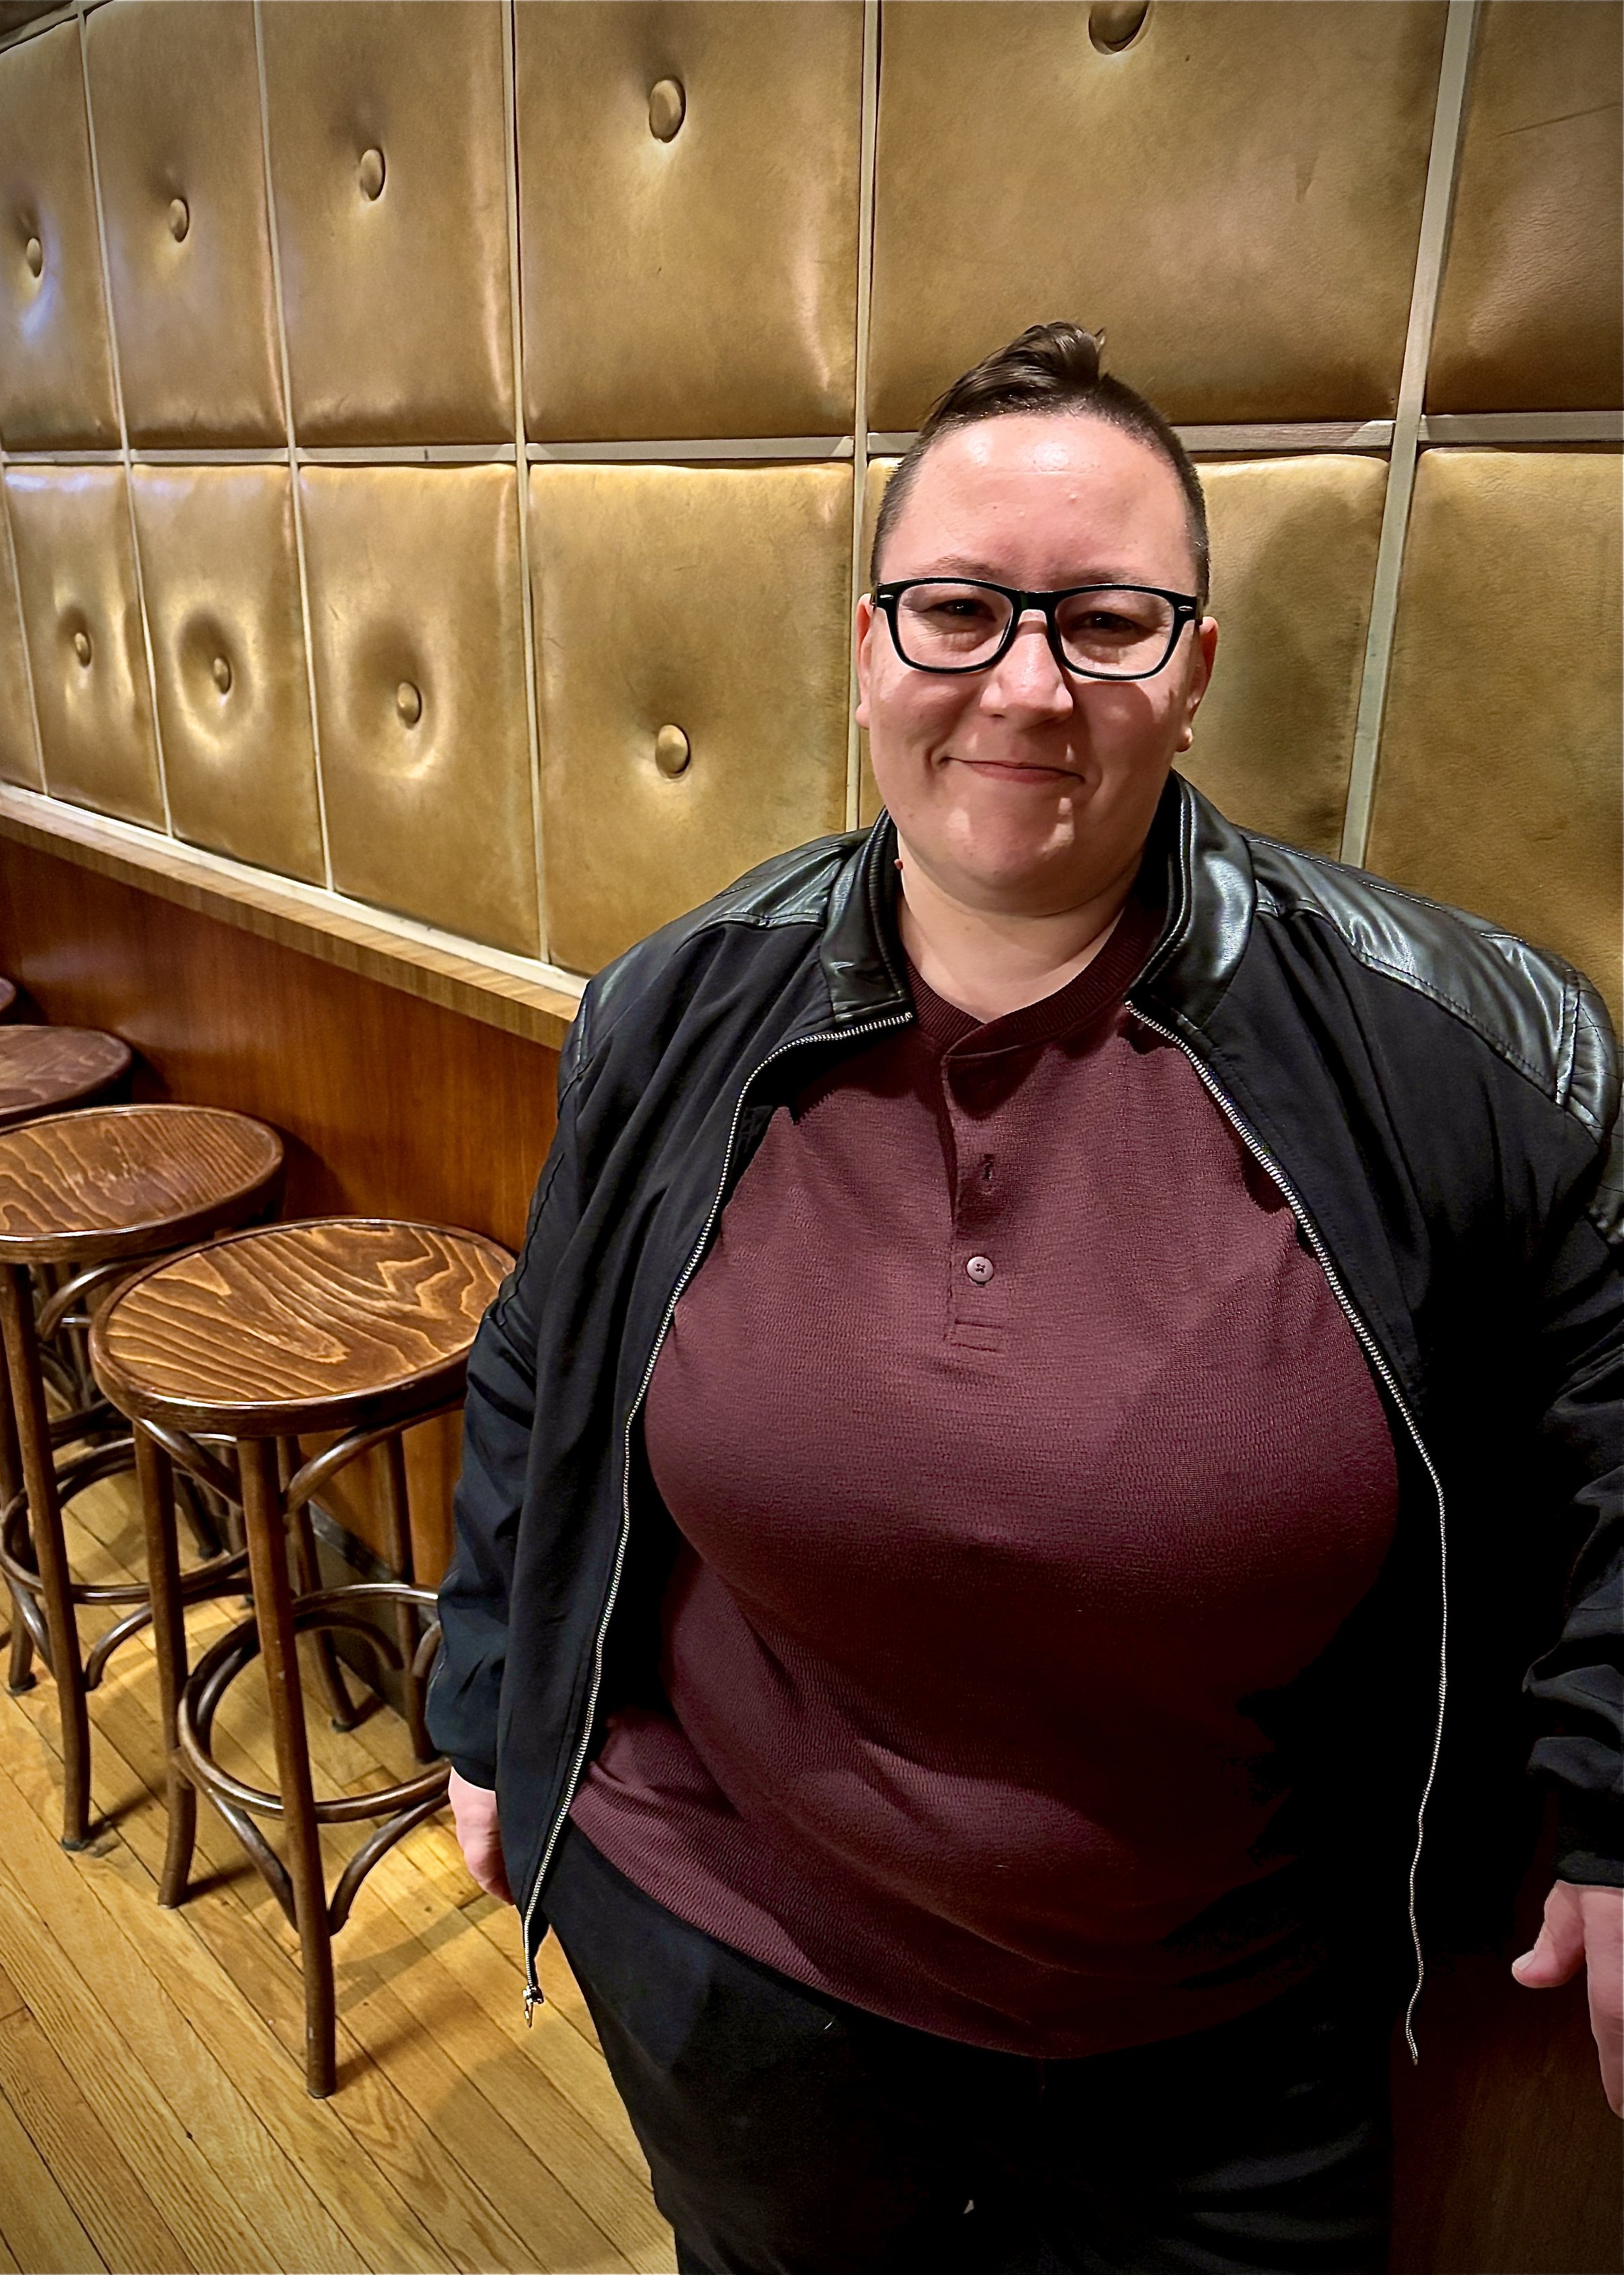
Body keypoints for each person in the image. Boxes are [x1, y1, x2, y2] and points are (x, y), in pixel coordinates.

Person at [429, 322, 1622, 2275]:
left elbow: (1609, 1422)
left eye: (1105, 621)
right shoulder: (671, 1008)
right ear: (868, 644)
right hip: (736, 1966)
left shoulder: (1456, 1052)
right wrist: (487, 1707)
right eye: (959, 611)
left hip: (1228, 2038)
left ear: (1197, 668)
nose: (1028, 686)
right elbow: (538, 1365)